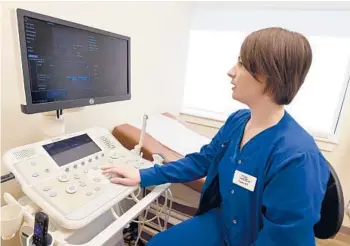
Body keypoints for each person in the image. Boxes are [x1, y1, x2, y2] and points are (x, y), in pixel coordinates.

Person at [101, 27, 330, 246]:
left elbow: (283, 240)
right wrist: (143, 175)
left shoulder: (297, 158)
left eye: (241, 63)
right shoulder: (239, 120)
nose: (231, 71)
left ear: (269, 77)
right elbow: (202, 161)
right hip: (225, 223)